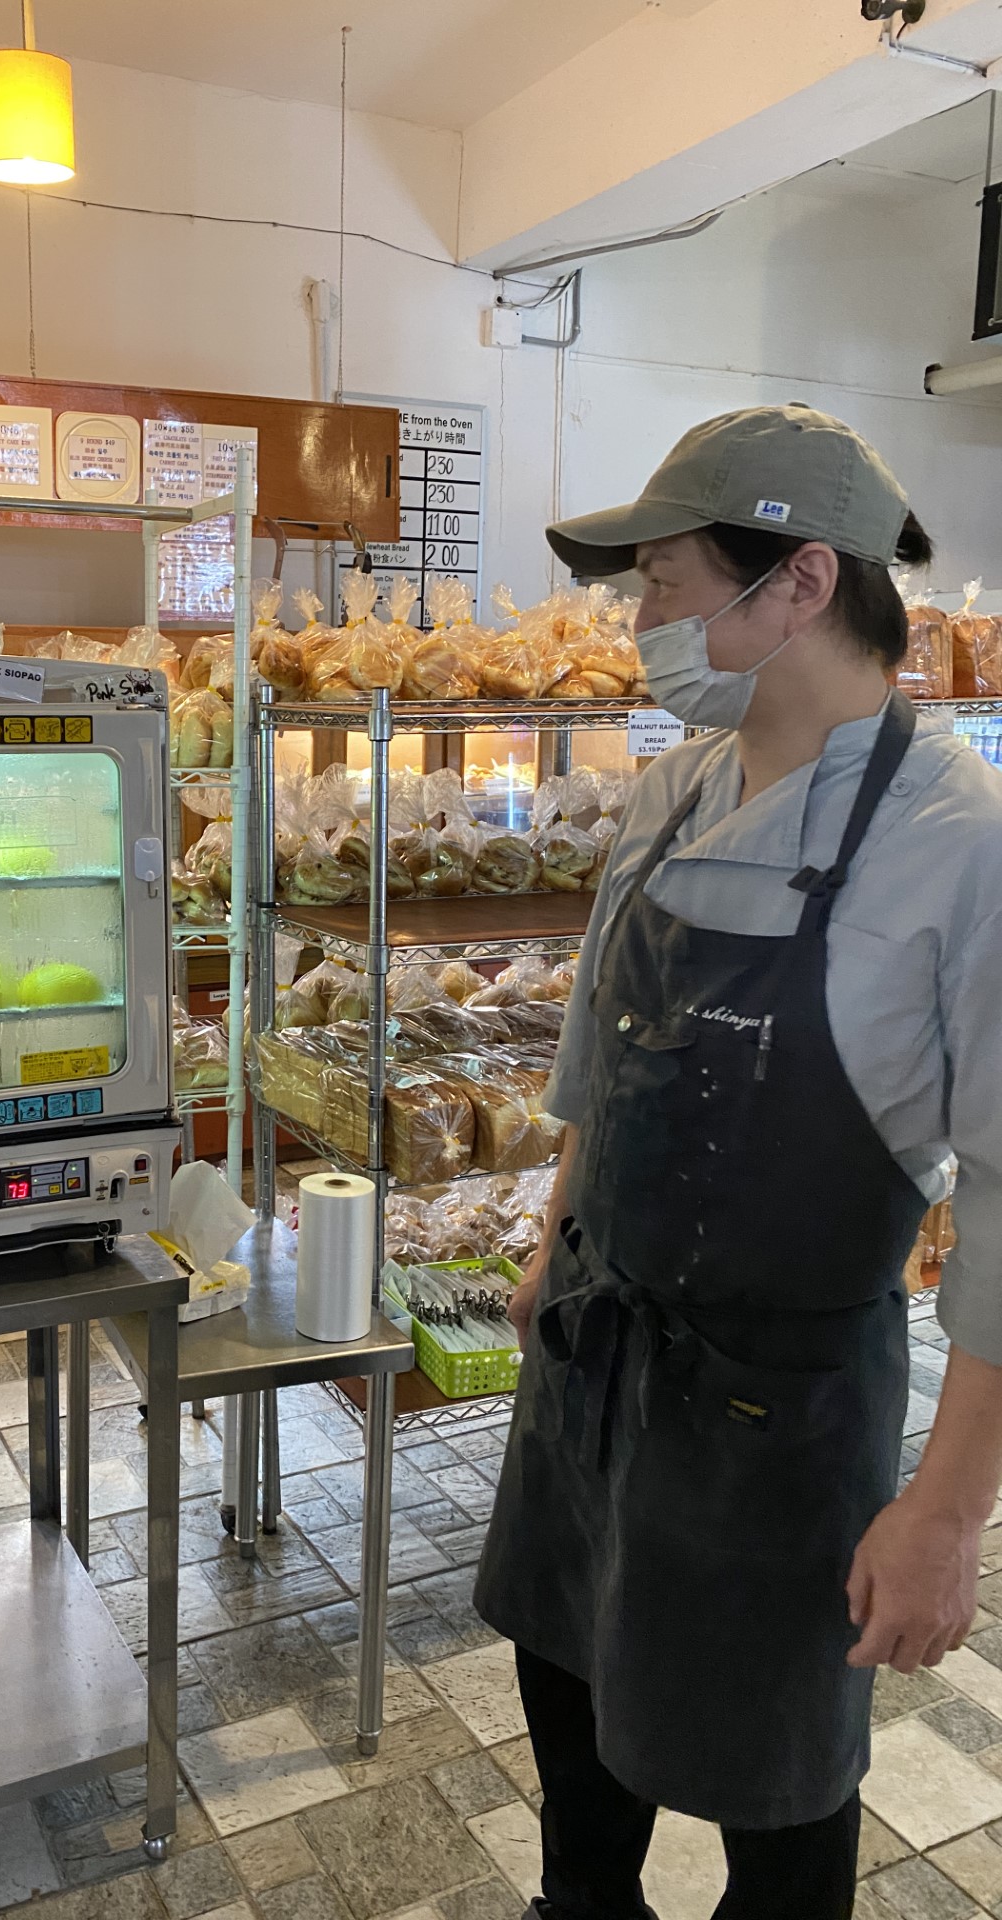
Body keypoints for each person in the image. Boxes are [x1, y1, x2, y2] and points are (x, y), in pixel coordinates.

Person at [473, 405, 1002, 1920]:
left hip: (786, 1410)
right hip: (594, 1346)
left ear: (802, 584)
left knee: (777, 1773)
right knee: (568, 1677)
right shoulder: (674, 790)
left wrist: (949, 1513)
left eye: (665, 582)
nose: (640, 624)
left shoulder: (961, 845)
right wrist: (557, 1236)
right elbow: (594, 1056)